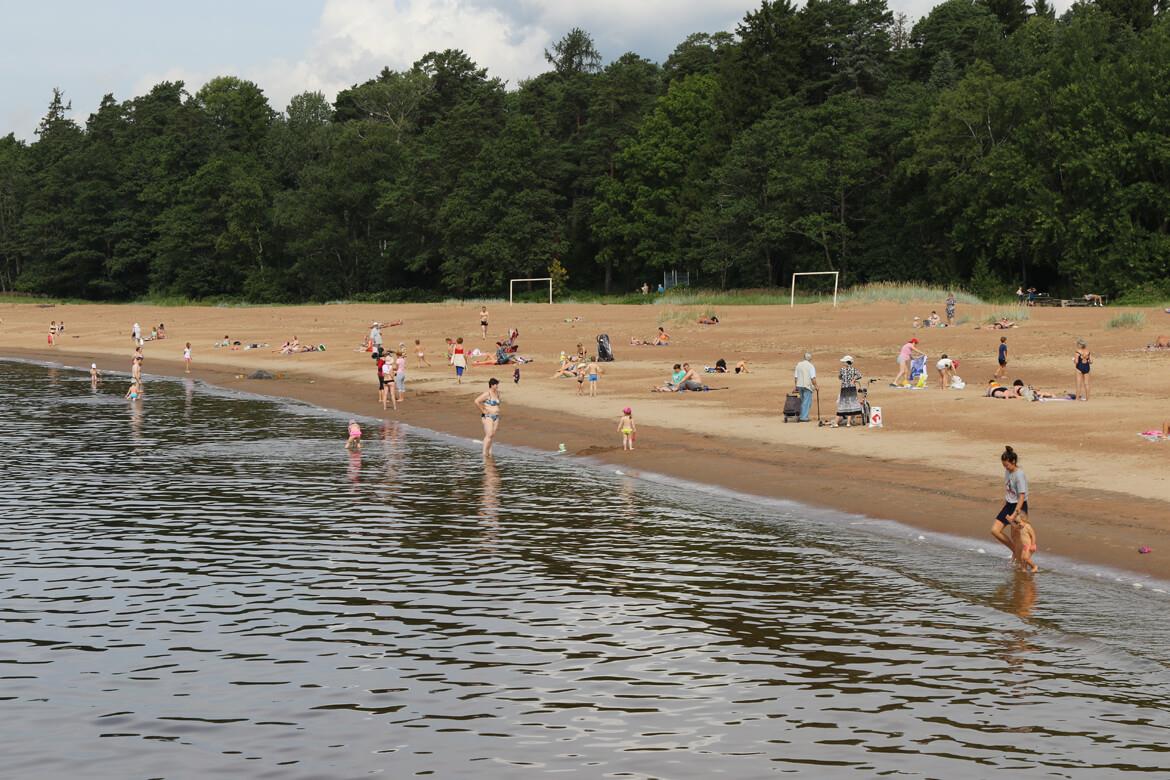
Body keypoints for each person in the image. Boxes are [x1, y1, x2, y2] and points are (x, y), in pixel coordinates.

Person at [991, 445, 1029, 562]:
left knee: (1016, 537)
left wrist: (1015, 514)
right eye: (1004, 465)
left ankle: (1021, 561)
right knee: (995, 530)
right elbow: (1009, 490)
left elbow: (1022, 496)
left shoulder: (1019, 474)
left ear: (1013, 461)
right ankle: (1014, 550)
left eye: (1007, 465)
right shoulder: (1007, 471)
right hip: (1009, 505)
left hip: (1019, 507)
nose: (1005, 468)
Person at [475, 378, 501, 458]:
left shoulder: (497, 393)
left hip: (496, 417)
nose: (497, 386)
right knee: (489, 434)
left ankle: (490, 452)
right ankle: (484, 453)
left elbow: (497, 404)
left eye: (497, 384)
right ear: (492, 385)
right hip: (488, 416)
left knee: (492, 435)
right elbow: (476, 401)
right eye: (496, 385)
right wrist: (483, 410)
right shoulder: (487, 394)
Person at [835, 356, 863, 427]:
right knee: (850, 405)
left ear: (847, 362)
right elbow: (860, 375)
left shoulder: (842, 369)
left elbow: (839, 377)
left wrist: (845, 379)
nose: (843, 363)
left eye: (844, 362)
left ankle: (836, 423)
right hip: (851, 388)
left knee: (842, 404)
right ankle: (848, 423)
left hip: (844, 388)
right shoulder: (853, 369)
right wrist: (853, 380)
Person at [794, 352, 817, 422]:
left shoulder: (798, 365)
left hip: (799, 385)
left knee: (801, 401)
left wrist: (796, 386)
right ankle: (804, 417)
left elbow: (796, 377)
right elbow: (813, 378)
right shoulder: (811, 366)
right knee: (807, 402)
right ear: (810, 359)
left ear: (804, 358)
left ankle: (800, 415)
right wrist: (816, 386)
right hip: (807, 386)